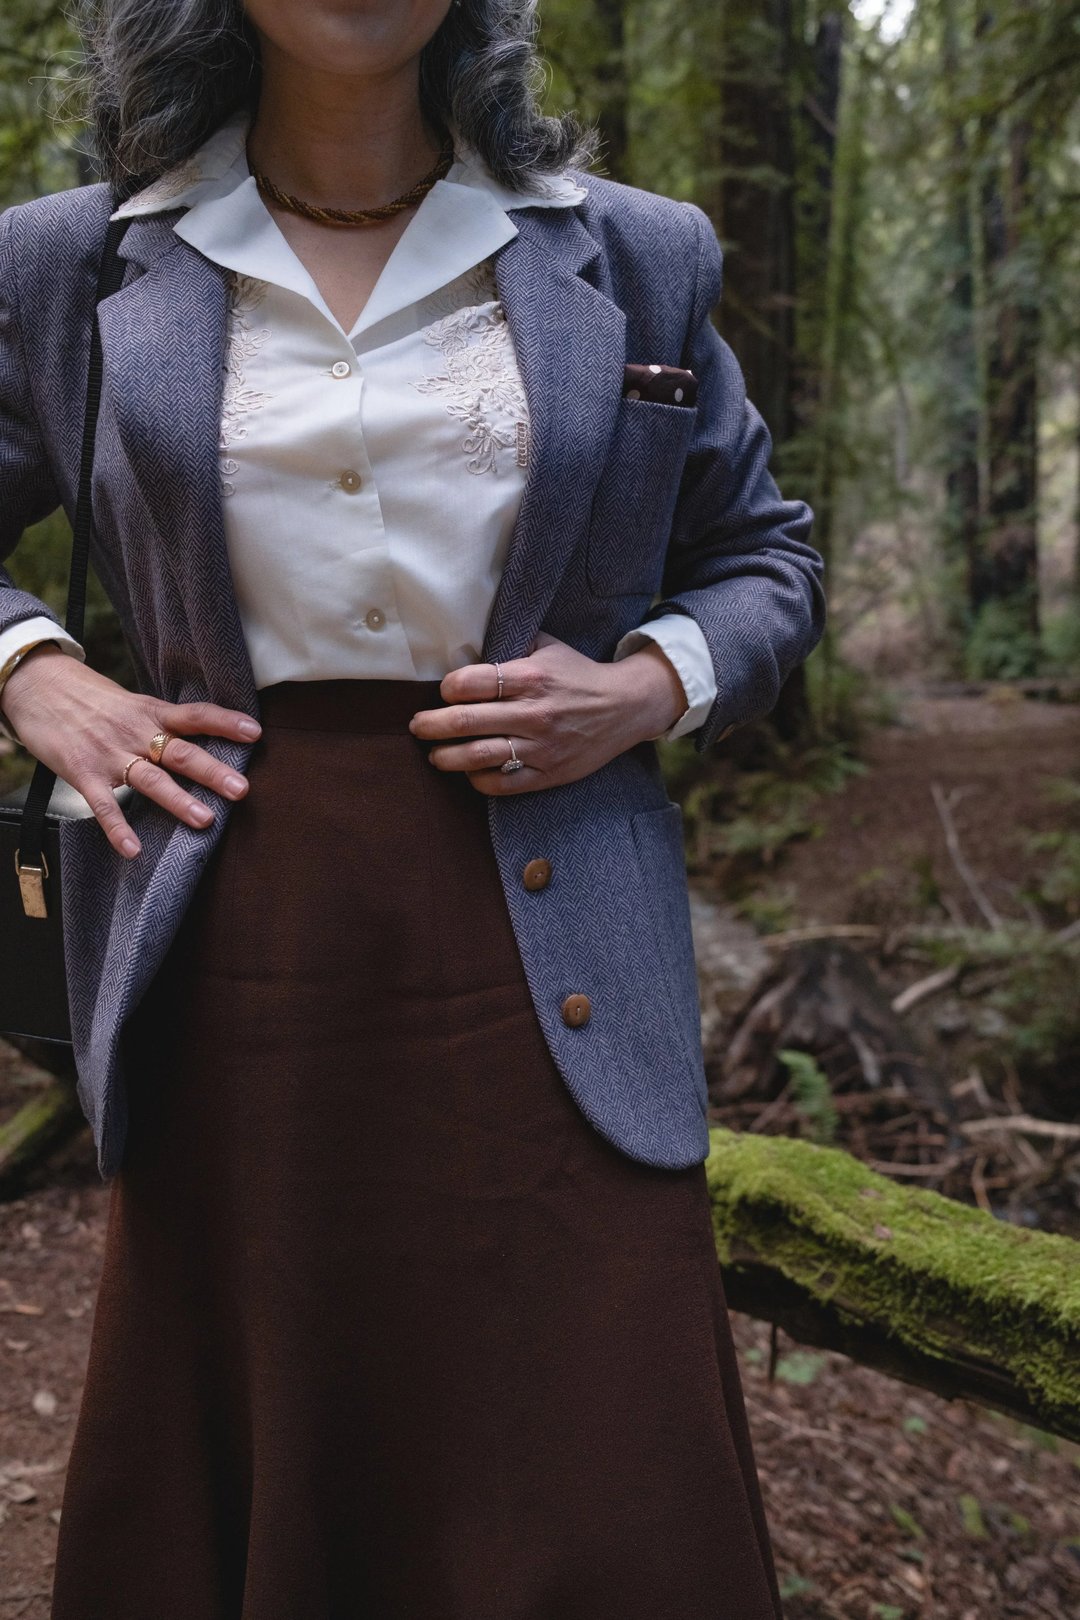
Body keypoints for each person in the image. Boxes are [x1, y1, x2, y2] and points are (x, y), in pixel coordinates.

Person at [0, 1, 825, 1614]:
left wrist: (649, 685)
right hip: (242, 947)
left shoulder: (634, 255)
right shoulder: (74, 265)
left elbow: (768, 558)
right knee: (277, 1419)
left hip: (556, 943)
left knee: (598, 1443)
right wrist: (34, 666)